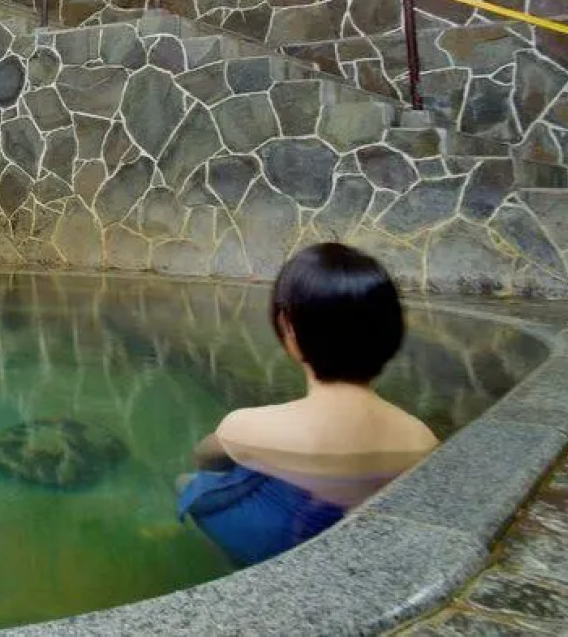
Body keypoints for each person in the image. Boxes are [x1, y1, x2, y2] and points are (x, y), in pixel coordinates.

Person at [176, 243, 438, 566]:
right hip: (354, 549)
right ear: (391, 330)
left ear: (288, 327)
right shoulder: (421, 438)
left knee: (187, 485)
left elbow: (205, 459)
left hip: (278, 545)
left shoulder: (246, 426)